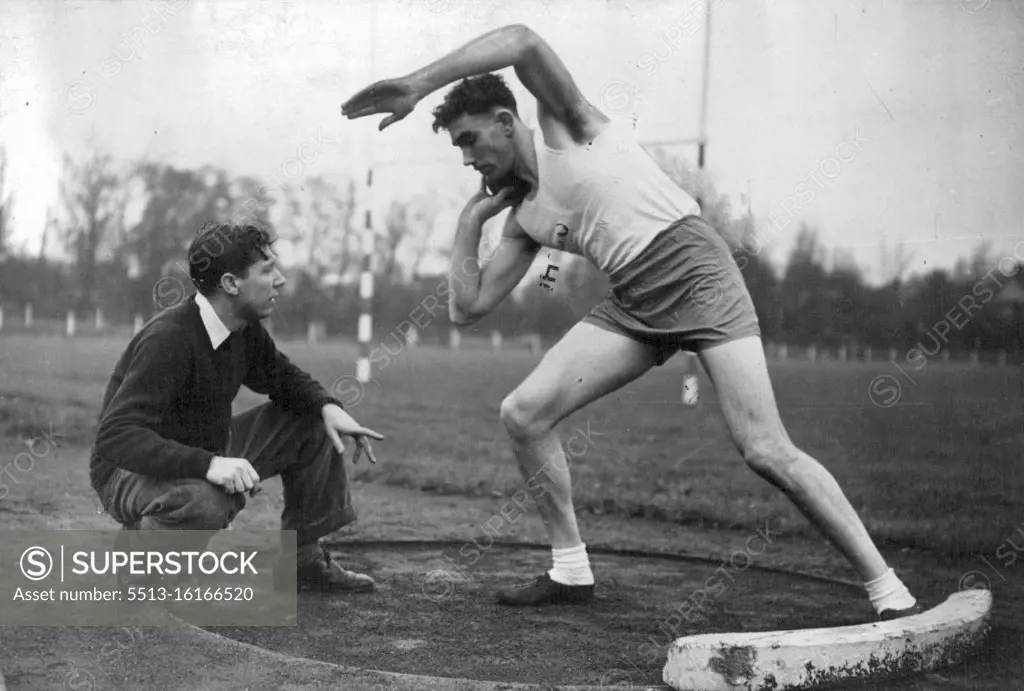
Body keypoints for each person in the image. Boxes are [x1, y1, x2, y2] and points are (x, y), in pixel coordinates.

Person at [341, 24, 921, 620]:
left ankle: (888, 589)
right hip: (636, 302)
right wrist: (469, 223)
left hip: (698, 274)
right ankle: (569, 570)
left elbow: (521, 41)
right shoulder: (523, 215)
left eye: (470, 139)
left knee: (765, 449)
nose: (466, 157)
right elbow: (468, 308)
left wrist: (416, 85)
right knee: (524, 413)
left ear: (507, 122)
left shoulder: (570, 127)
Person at [90, 222, 383, 593]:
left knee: (309, 420)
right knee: (207, 501)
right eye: (267, 270)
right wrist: (210, 466)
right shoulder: (170, 339)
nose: (281, 280)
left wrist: (327, 407)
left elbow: (284, 379)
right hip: (128, 471)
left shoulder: (242, 329)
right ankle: (139, 568)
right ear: (230, 284)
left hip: (205, 453)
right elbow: (115, 438)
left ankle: (303, 563)